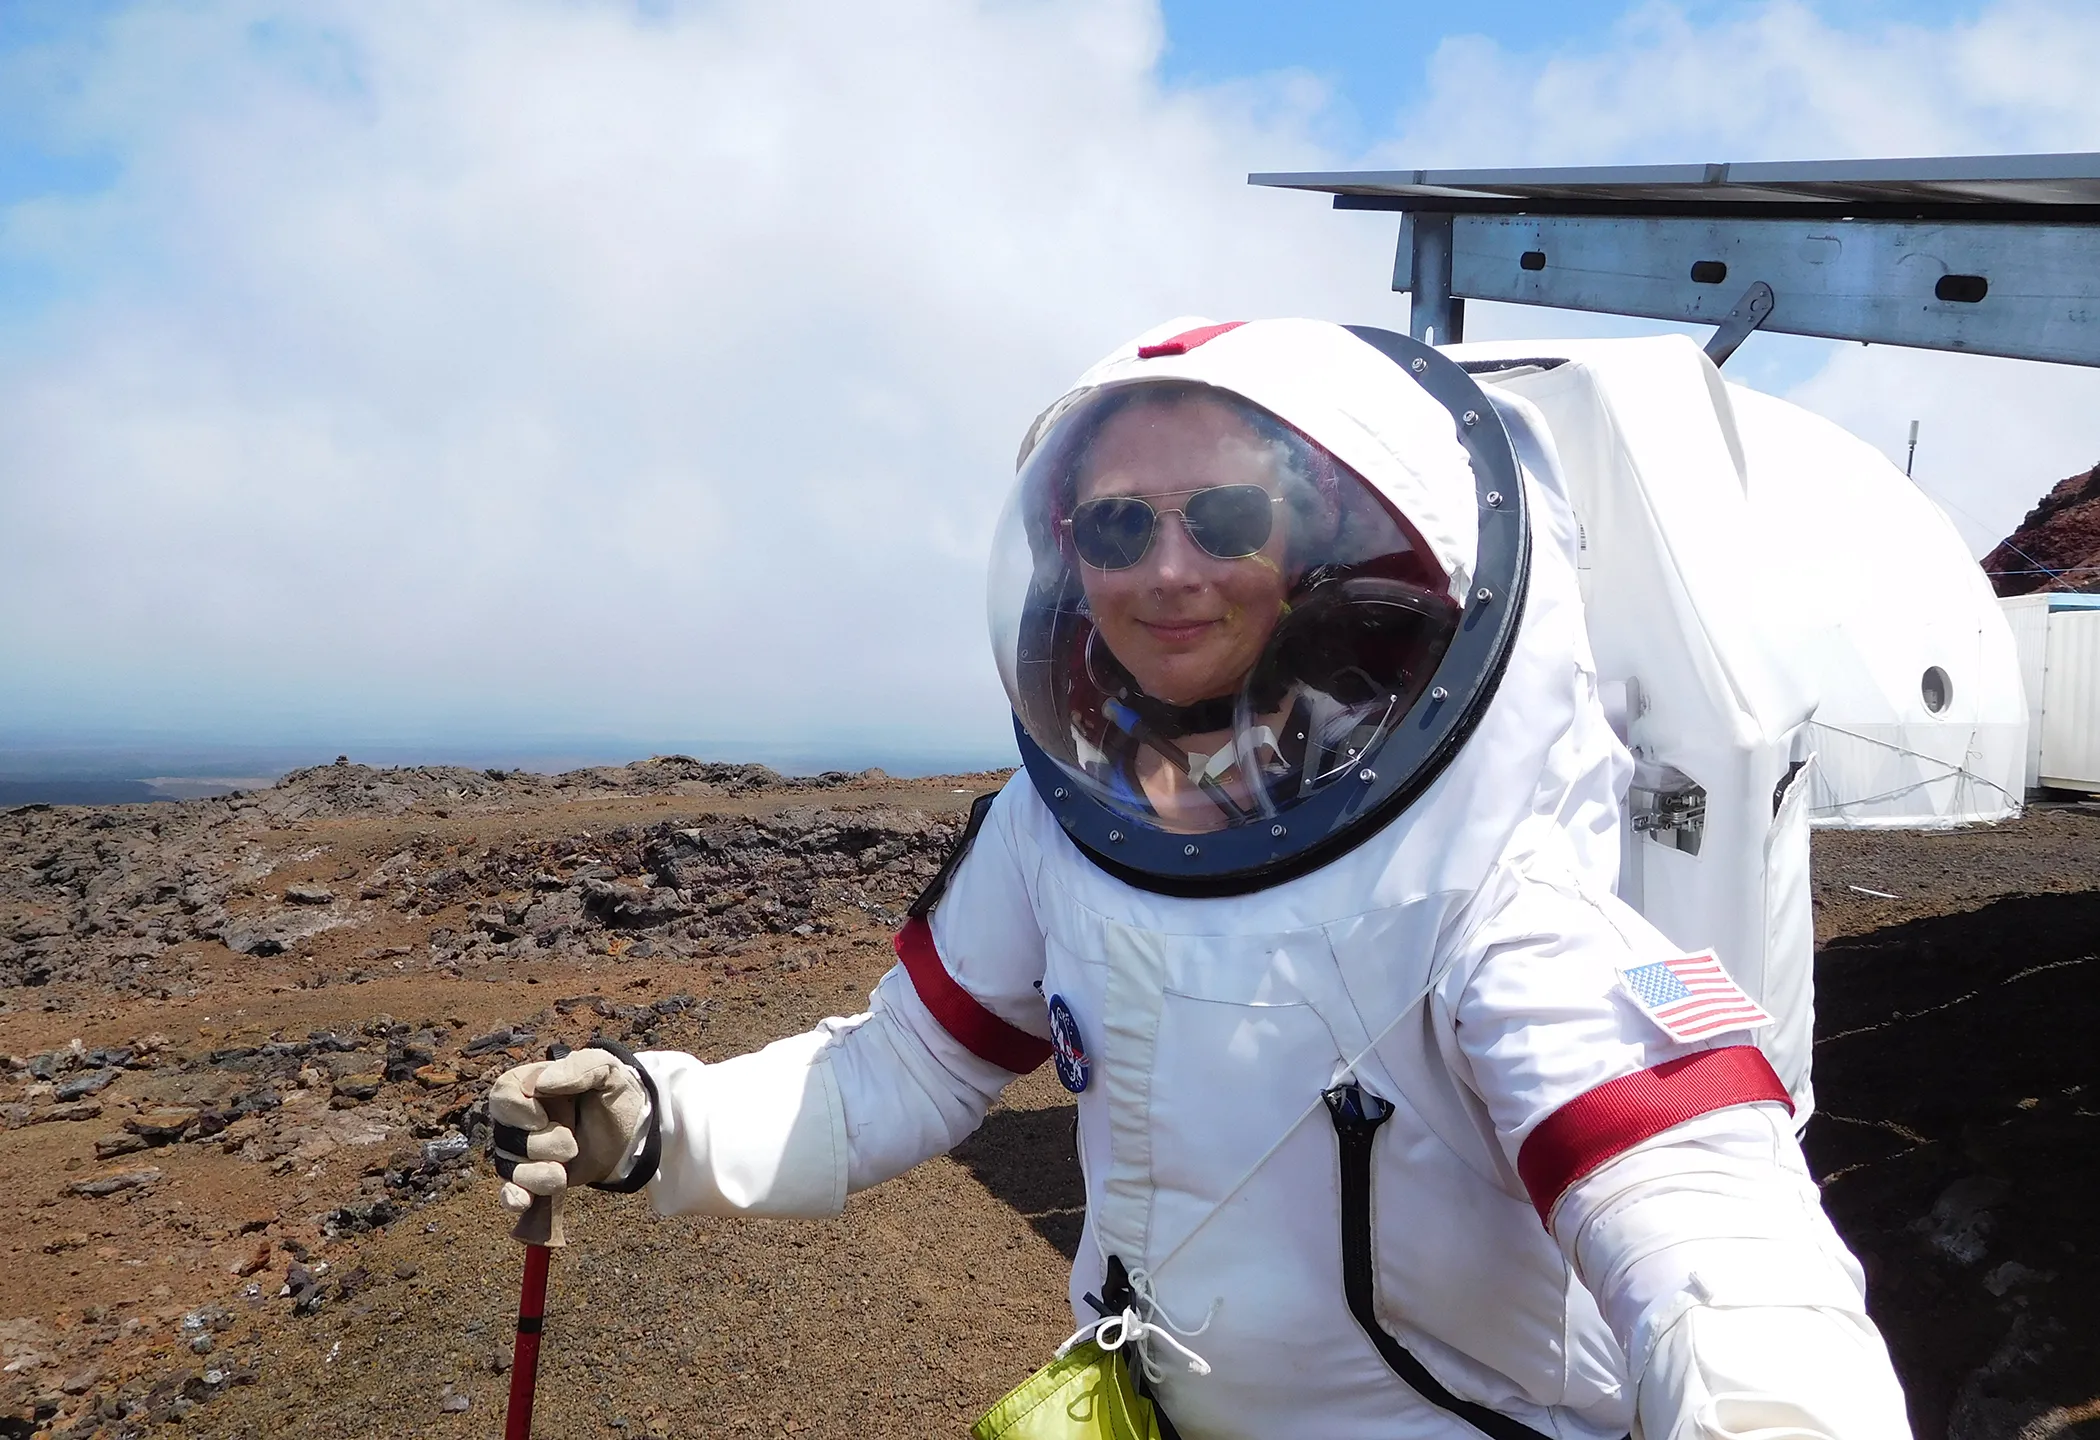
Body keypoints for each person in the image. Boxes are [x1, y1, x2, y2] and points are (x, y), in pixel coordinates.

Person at [488, 318, 1911, 1440]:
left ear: (1312, 542)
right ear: (1067, 555)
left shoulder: (1493, 885)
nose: (1167, 569)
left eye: (1223, 518)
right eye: (1116, 527)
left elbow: (1705, 1221)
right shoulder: (1067, 823)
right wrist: (661, 1118)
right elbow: (908, 1071)